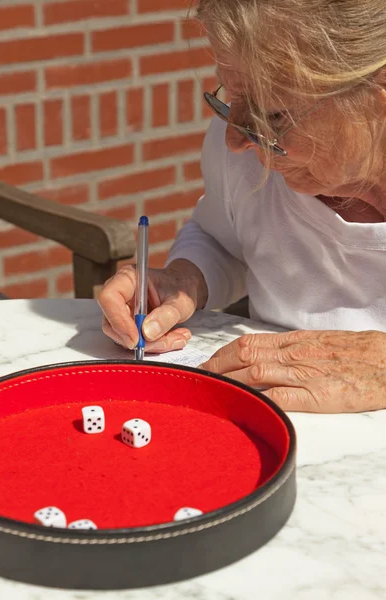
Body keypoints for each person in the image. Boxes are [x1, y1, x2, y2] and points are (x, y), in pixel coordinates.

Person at [98, 0, 386, 413]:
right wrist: (185, 280)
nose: (235, 139)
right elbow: (226, 237)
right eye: (231, 96)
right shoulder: (244, 150)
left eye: (274, 114)